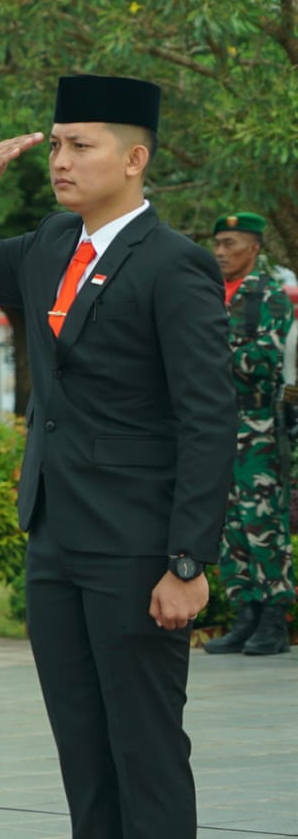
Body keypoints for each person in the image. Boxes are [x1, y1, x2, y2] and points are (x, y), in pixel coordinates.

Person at [0, 74, 236, 839]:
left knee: (145, 748)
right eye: (55, 145)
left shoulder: (173, 263)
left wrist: (188, 559)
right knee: (83, 752)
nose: (60, 160)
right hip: (55, 536)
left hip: (135, 544)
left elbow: (208, 417)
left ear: (134, 159)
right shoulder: (54, 242)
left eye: (80, 146)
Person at [203, 211, 294, 655]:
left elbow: (267, 360)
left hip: (257, 426)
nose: (220, 252)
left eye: (230, 244)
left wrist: (210, 353)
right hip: (214, 424)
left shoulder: (269, 297)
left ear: (254, 248)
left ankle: (275, 618)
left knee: (263, 521)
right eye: (217, 243)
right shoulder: (207, 295)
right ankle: (246, 613)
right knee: (227, 523)